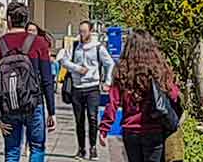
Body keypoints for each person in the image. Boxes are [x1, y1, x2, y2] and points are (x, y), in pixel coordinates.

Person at [0, 3, 54, 162]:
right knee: (36, 147)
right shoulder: (39, 43)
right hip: (34, 104)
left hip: (8, 106)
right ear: (26, 20)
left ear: (8, 20)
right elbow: (47, 79)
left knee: (12, 152)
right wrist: (52, 111)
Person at [98, 32, 180, 162]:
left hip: (130, 131)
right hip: (154, 129)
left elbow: (113, 102)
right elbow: (174, 95)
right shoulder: (159, 69)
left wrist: (104, 128)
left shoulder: (122, 70)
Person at [61, 21, 115, 160]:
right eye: (80, 31)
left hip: (92, 87)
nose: (82, 34)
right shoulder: (74, 46)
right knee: (79, 120)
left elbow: (110, 63)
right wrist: (77, 68)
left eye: (84, 31)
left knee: (92, 117)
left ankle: (93, 147)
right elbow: (64, 61)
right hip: (77, 88)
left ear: (91, 31)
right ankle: (81, 148)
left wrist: (107, 82)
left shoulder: (98, 48)